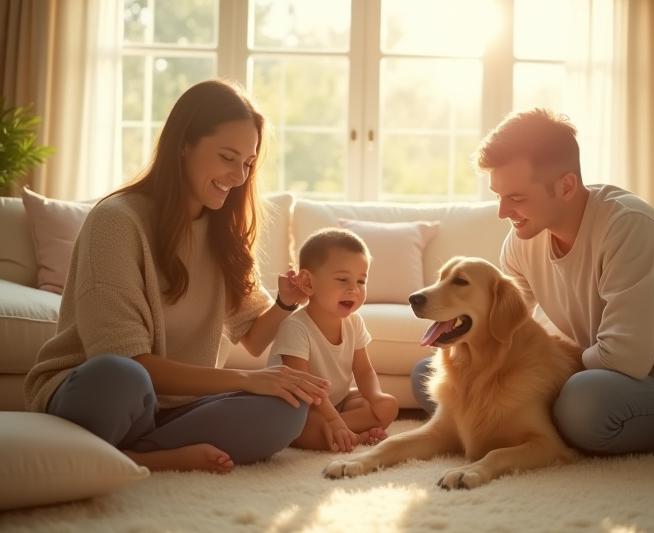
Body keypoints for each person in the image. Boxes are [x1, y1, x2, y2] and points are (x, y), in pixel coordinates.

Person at [23, 79, 330, 474]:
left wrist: (287, 303)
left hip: (177, 407)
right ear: (184, 144)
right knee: (122, 378)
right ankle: (140, 454)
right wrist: (247, 380)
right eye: (227, 157)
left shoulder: (224, 232)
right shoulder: (115, 222)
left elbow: (253, 338)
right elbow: (125, 359)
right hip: (101, 393)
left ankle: (137, 454)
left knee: (287, 409)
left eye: (248, 163)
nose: (239, 176)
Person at [411, 108, 654, 455]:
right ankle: (535, 434)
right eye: (499, 196)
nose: (502, 212)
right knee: (433, 376)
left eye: (517, 198)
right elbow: (511, 329)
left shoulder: (629, 227)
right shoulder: (522, 240)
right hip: (588, 374)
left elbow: (626, 359)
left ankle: (544, 432)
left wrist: (539, 376)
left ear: (566, 185)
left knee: (582, 403)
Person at [269, 228, 399, 453]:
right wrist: (332, 420)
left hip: (337, 401)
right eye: (342, 279)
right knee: (304, 426)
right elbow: (305, 388)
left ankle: (340, 433)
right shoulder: (296, 327)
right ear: (308, 283)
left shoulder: (354, 322)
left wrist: (375, 397)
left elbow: (364, 371)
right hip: (299, 405)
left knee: (387, 405)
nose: (354, 289)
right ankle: (346, 434)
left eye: (361, 281)